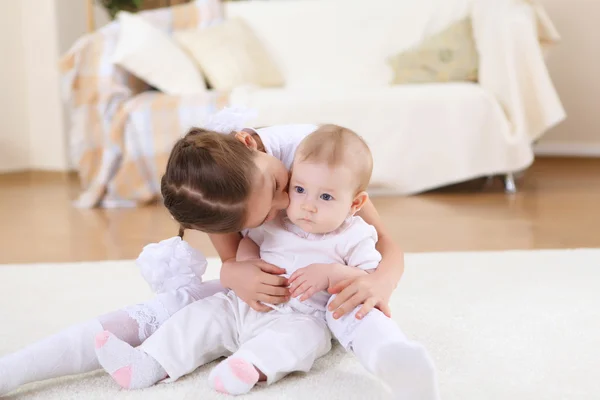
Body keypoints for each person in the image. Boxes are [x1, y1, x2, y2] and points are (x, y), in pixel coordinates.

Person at [0, 110, 404, 396]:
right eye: (267, 212)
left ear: (250, 145)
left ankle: (252, 365)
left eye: (283, 186)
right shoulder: (219, 194)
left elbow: (386, 245)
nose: (288, 205)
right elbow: (231, 262)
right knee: (184, 311)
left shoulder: (319, 160)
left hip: (308, 307)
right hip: (251, 296)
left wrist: (374, 284)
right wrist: (233, 273)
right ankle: (16, 369)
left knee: (304, 334)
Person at [94, 124, 438, 398]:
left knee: (294, 341)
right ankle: (149, 362)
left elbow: (367, 272)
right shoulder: (274, 216)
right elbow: (245, 249)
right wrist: (239, 269)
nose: (300, 202)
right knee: (201, 316)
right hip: (247, 304)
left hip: (304, 314)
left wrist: (334, 273)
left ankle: (249, 367)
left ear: (354, 202)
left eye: (325, 196)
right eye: (300, 189)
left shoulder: (352, 230)